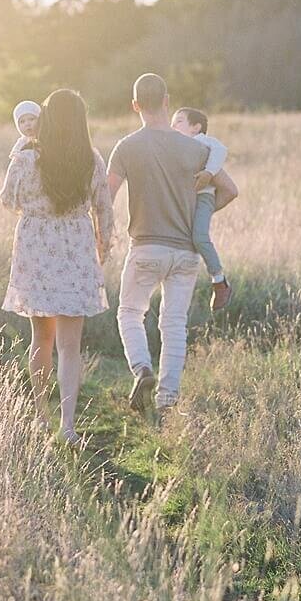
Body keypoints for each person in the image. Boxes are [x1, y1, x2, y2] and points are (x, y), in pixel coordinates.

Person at [107, 73, 238, 414]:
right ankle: (167, 402)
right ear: (167, 101)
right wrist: (200, 218)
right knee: (174, 324)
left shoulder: (126, 147)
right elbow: (230, 190)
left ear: (135, 105)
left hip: (146, 247)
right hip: (186, 252)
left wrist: (101, 239)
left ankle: (142, 369)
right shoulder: (197, 148)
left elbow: (105, 198)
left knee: (130, 313)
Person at [0, 89, 113, 444]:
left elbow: (7, 200)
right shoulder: (91, 159)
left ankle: (39, 415)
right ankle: (68, 426)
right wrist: (102, 244)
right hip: (76, 249)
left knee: (41, 338)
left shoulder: (26, 157)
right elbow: (104, 208)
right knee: (70, 344)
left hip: (36, 247)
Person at [170, 105, 232, 311]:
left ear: (196, 127)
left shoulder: (200, 141)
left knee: (199, 236)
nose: (173, 125)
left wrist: (208, 173)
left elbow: (221, 149)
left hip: (203, 197)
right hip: (187, 200)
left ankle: (219, 280)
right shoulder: (177, 146)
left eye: (179, 121)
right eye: (172, 121)